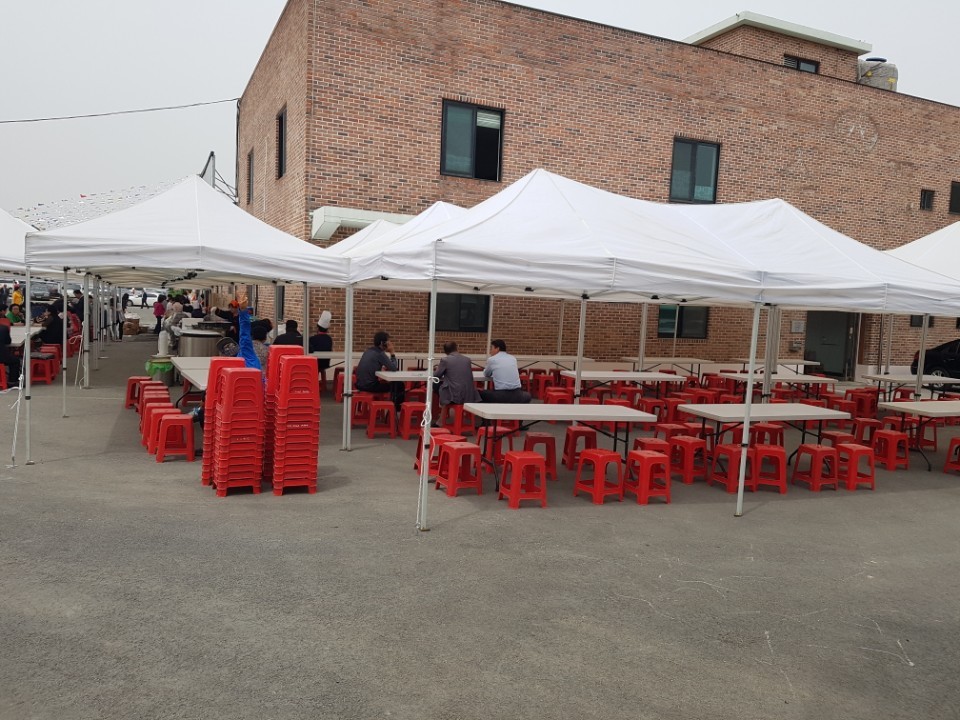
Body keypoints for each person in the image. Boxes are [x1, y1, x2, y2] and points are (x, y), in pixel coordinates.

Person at [434, 341, 481, 425]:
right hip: (469, 394)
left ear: (445, 351)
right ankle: (444, 417)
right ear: (456, 348)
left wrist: (438, 369)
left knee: (436, 386)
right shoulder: (467, 360)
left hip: (454, 394)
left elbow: (436, 375)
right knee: (446, 388)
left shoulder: (445, 360)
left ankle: (440, 418)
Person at [356, 330, 404, 408]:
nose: (389, 344)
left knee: (389, 383)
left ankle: (392, 407)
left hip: (359, 384)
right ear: (382, 343)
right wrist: (392, 352)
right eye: (388, 342)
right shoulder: (380, 354)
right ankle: (396, 409)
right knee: (399, 385)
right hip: (370, 386)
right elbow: (394, 368)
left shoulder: (368, 351)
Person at [480, 339, 531, 403]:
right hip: (517, 394)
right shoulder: (513, 358)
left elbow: (486, 374)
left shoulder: (492, 359)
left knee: (480, 393)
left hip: (501, 395)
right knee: (527, 395)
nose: (490, 351)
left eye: (492, 348)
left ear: (497, 349)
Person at [309, 311, 333, 375]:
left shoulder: (313, 339)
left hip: (315, 363)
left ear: (317, 328)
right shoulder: (329, 339)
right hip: (326, 363)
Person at [0, 322, 22, 387]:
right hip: (1, 357)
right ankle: (13, 381)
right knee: (15, 361)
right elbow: (8, 341)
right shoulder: (3, 328)